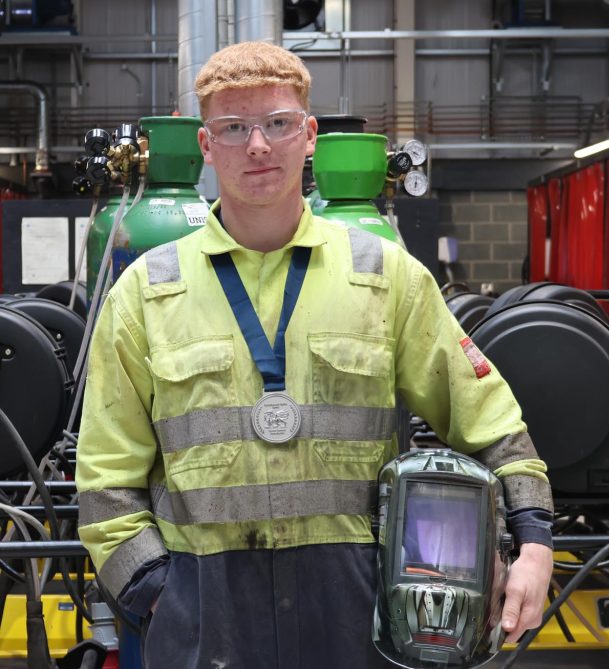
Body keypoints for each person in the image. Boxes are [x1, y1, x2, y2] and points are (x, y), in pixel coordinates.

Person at [75, 40, 554, 669]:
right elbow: (106, 480)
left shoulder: (386, 278)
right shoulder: (146, 292)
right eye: (234, 126)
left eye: (276, 123)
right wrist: (160, 595)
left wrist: (536, 547)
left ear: (309, 136)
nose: (257, 145)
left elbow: (488, 419)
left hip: (356, 615)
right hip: (204, 618)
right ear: (205, 146)